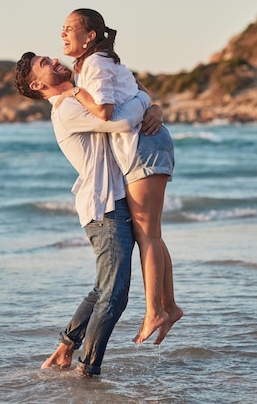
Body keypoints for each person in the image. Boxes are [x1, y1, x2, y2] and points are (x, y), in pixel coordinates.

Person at [13, 51, 156, 376]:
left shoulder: (81, 97)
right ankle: (87, 371)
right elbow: (121, 120)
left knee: (103, 286)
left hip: (110, 201)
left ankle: (67, 346)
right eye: (44, 64)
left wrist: (151, 105)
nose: (54, 60)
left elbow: (120, 104)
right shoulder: (68, 108)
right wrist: (148, 98)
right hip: (104, 206)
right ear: (37, 84)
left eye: (49, 57)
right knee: (115, 294)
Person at [58, 8, 183, 344]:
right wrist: (150, 103)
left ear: (90, 35)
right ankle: (167, 306)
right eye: (63, 28)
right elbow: (139, 90)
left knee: (149, 236)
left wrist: (72, 93)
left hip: (144, 145)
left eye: (70, 28)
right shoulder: (97, 62)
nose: (63, 34)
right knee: (152, 234)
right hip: (145, 145)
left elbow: (106, 112)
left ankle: (156, 310)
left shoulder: (96, 64)